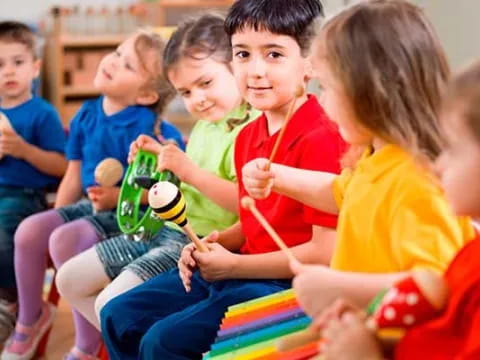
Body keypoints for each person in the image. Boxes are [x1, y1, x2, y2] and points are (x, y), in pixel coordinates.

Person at [100, 1, 346, 359]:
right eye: (243, 54)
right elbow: (253, 223)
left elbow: (324, 253)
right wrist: (210, 244)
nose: (256, 70)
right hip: (242, 271)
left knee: (163, 342)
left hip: (290, 288)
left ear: (309, 63)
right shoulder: (248, 137)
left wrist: (234, 265)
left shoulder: (322, 136)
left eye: (274, 54)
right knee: (118, 315)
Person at [241, 0, 474, 325]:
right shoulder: (377, 157)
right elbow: (340, 192)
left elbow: (435, 285)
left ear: (373, 94)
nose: (322, 99)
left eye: (329, 87)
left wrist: (338, 286)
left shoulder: (415, 181)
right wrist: (277, 176)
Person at [56, 12, 260, 336]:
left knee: (110, 303)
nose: (198, 99)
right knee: (69, 279)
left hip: (195, 243)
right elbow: (186, 184)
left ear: (237, 65)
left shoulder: (252, 128)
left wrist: (187, 170)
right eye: (187, 92)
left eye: (205, 83)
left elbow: (248, 206)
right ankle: (125, 345)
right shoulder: (207, 124)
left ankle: (130, 343)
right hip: (163, 230)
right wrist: (161, 154)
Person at [1, 30, 183, 360]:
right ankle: (30, 319)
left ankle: (86, 345)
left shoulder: (154, 131)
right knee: (30, 231)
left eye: (127, 64)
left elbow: (166, 193)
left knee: (64, 240)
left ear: (145, 95)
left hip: (125, 218)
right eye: (116, 52)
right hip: (90, 206)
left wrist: (116, 197)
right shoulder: (87, 113)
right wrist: (56, 217)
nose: (112, 62)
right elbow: (73, 175)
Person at [320, 59, 480, 360]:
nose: (438, 163)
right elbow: (440, 339)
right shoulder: (472, 255)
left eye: (454, 149)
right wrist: (375, 339)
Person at [0, 20, 67, 344]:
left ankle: (12, 299)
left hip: (25, 196)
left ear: (35, 68)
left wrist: (21, 149)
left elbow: (61, 166)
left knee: (2, 227)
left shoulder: (42, 113)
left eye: (17, 62)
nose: (8, 71)